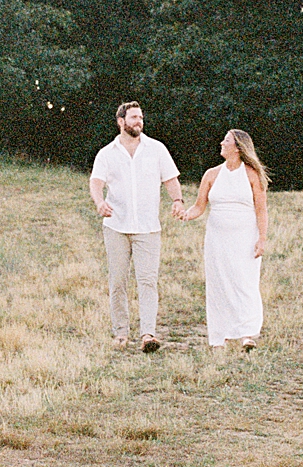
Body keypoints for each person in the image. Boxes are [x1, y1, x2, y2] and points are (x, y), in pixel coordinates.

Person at [89, 101, 183, 352]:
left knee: (147, 281)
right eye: (133, 117)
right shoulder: (107, 153)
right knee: (118, 281)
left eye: (141, 117)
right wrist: (99, 202)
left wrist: (177, 200)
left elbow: (170, 179)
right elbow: (96, 182)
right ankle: (121, 332)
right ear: (121, 122)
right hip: (116, 227)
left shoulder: (157, 149)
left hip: (148, 228)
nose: (139, 121)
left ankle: (148, 334)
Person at [180, 129, 269, 351]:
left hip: (245, 236)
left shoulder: (251, 175)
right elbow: (200, 206)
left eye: (226, 140)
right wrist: (186, 214)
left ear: (237, 148)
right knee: (219, 283)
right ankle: (220, 336)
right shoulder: (211, 174)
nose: (221, 143)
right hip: (217, 238)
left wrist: (262, 239)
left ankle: (248, 334)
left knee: (244, 282)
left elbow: (261, 209)